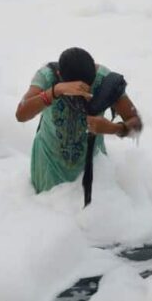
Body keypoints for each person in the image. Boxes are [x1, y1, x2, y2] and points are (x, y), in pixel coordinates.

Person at [15, 47, 142, 200]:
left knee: (90, 217)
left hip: (92, 167)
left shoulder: (106, 81)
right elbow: (21, 114)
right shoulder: (47, 77)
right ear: (59, 75)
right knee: (45, 215)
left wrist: (113, 128)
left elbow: (136, 123)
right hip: (49, 164)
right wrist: (55, 91)